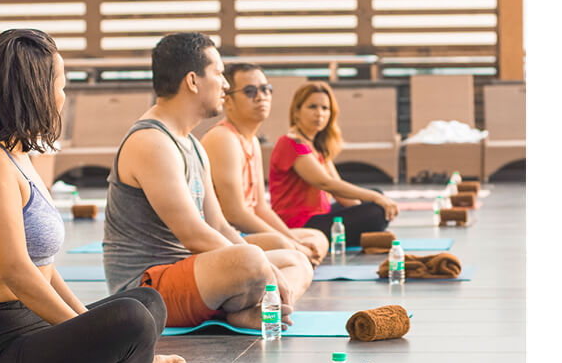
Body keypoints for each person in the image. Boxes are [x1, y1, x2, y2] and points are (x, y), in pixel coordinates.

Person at [0, 29, 185, 363]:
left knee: (147, 302)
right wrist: (85, 331)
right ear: (36, 89)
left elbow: (44, 269)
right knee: (131, 321)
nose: (64, 96)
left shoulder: (19, 157)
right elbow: (15, 270)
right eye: (62, 84)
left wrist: (88, 326)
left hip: (35, 333)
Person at [103, 32, 312, 330]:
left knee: (296, 261)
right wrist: (261, 267)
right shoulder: (150, 142)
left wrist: (263, 266)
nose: (225, 84)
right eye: (218, 73)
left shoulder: (193, 145)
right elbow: (194, 235)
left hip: (195, 274)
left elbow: (219, 225)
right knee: (251, 260)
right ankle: (251, 304)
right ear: (192, 81)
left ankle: (245, 310)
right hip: (148, 290)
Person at [200, 63, 328, 265]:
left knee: (317, 237)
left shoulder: (252, 141)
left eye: (266, 89)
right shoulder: (223, 138)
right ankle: (289, 259)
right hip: (228, 237)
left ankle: (290, 258)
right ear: (228, 100)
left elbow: (260, 207)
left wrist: (294, 240)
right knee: (283, 244)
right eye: (250, 91)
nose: (261, 97)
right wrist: (290, 243)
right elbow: (235, 213)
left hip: (250, 234)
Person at [268, 81, 398, 240]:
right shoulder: (292, 143)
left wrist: (361, 212)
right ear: (297, 111)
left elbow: (340, 192)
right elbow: (326, 183)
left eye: (325, 108)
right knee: (375, 209)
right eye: (312, 107)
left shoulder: (316, 146)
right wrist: (373, 205)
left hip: (321, 215)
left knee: (375, 203)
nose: (319, 113)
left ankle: (365, 228)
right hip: (298, 224)